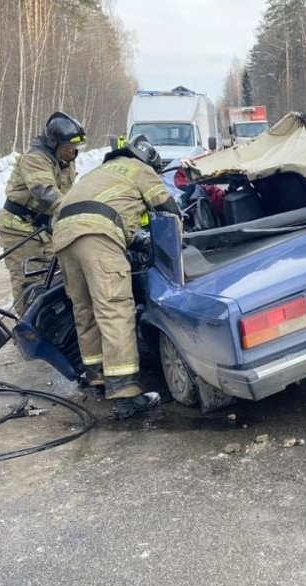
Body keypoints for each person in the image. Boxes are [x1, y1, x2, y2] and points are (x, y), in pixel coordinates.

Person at [51, 136, 182, 420]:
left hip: (63, 236)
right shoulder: (140, 169)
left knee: (85, 310)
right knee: (114, 309)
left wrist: (131, 239)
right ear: (148, 162)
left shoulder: (98, 172)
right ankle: (124, 393)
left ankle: (97, 377)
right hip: (97, 237)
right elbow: (168, 210)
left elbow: (101, 208)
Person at [0, 112, 84, 314]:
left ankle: (46, 325)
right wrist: (78, 213)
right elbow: (46, 193)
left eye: (76, 147)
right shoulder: (35, 158)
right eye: (69, 146)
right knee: (28, 284)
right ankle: (28, 333)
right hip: (20, 229)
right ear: (54, 143)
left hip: (44, 230)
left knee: (51, 280)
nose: (74, 151)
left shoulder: (65, 160)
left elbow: (69, 193)